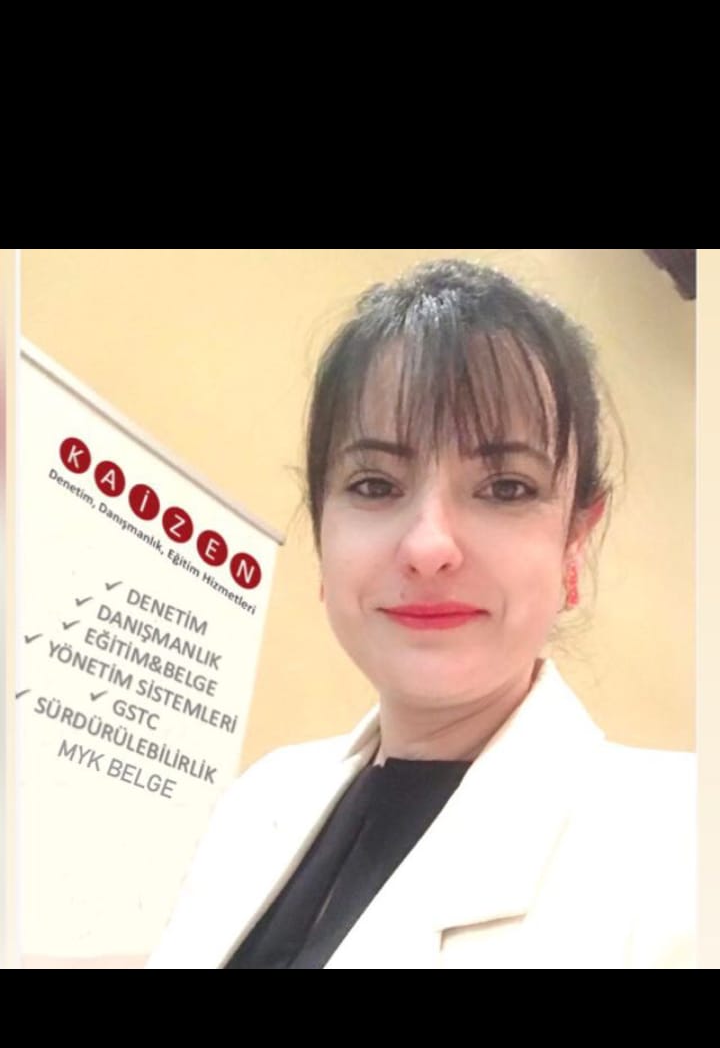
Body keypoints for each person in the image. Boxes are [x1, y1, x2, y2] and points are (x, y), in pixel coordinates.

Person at [145, 259, 695, 969]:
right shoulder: (259, 801)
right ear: (323, 532)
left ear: (573, 543)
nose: (429, 546)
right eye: (375, 484)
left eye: (506, 487)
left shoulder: (682, 849)